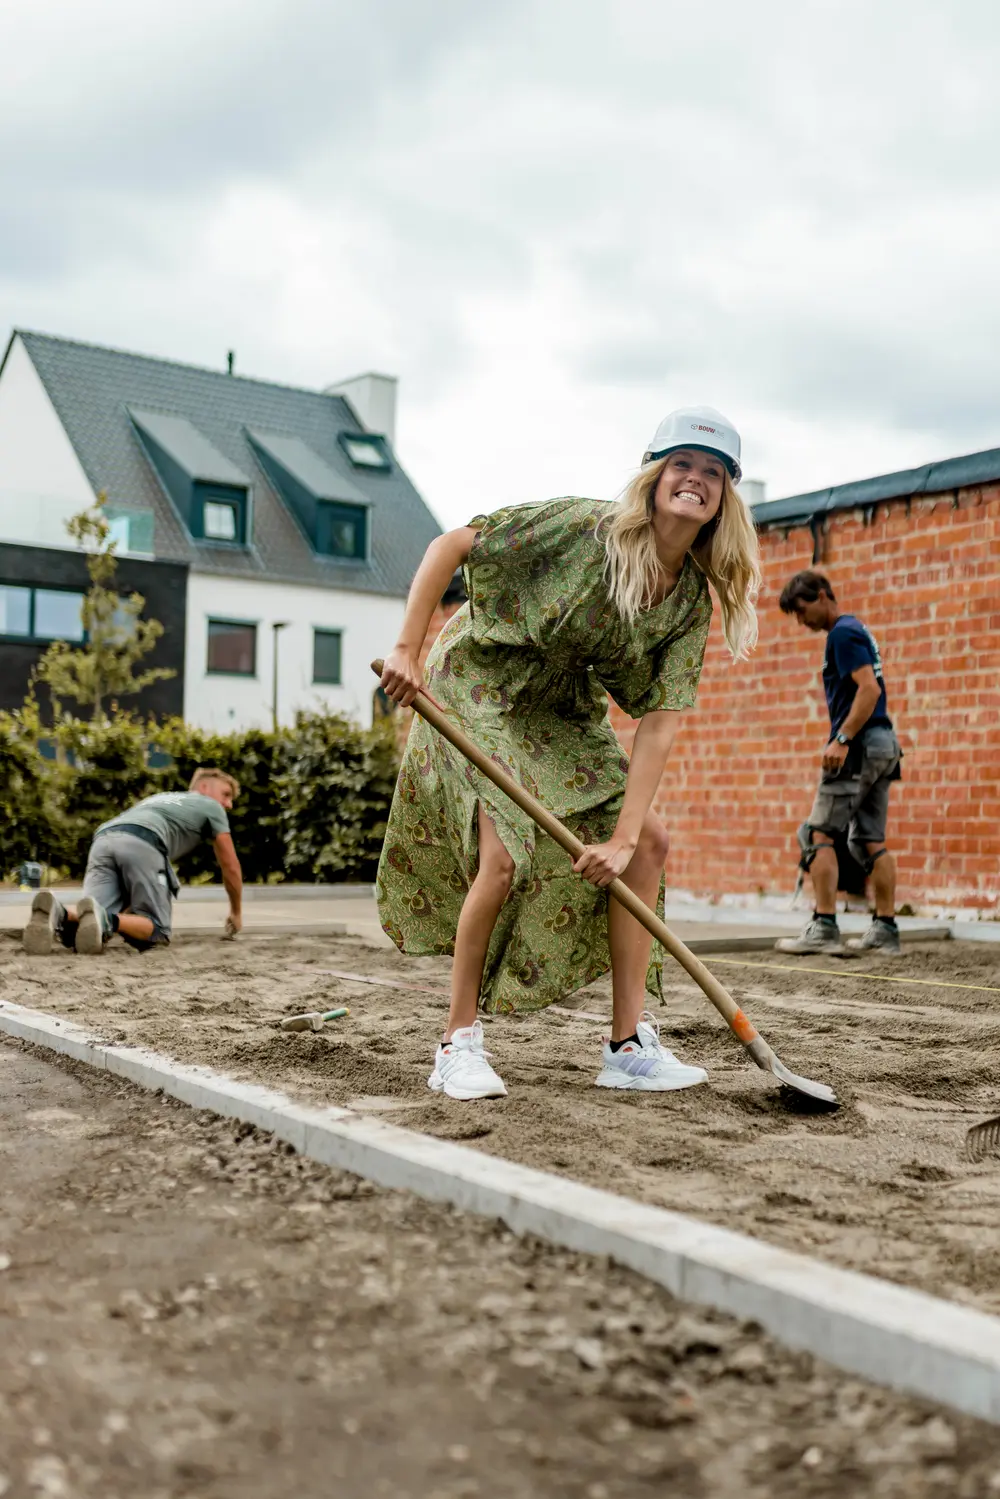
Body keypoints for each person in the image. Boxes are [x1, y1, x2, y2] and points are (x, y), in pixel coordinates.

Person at [377, 406, 760, 1100]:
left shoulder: (690, 604)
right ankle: (456, 1043)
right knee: (505, 855)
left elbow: (660, 724)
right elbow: (453, 544)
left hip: (559, 704)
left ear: (725, 497)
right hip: (482, 683)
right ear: (654, 475)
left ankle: (625, 1046)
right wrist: (408, 648)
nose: (695, 479)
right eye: (682, 464)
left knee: (649, 843)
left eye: (712, 472)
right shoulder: (586, 530)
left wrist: (619, 837)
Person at [774, 571, 902, 957]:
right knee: (868, 839)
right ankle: (885, 930)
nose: (801, 620)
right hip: (884, 743)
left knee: (817, 834)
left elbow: (869, 689)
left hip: (861, 745)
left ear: (824, 595)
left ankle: (824, 925)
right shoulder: (855, 630)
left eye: (802, 610)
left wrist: (842, 738)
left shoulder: (842, 634)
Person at [23, 768, 244, 955]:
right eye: (226, 794)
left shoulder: (160, 798)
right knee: (157, 930)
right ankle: (105, 918)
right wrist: (236, 911)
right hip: (143, 840)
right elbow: (230, 865)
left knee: (91, 923)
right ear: (204, 787)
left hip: (103, 839)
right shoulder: (209, 805)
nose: (229, 804)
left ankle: (57, 912)